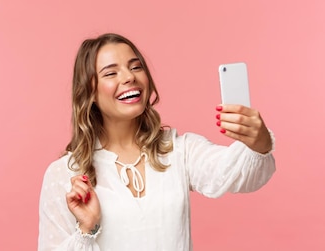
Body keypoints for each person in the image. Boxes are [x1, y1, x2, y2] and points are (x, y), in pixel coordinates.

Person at [37, 33, 276, 250]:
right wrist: (87, 229)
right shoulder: (65, 175)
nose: (129, 77)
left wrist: (260, 141)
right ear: (89, 92)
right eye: (111, 73)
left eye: (136, 67)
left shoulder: (178, 150)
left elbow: (238, 174)